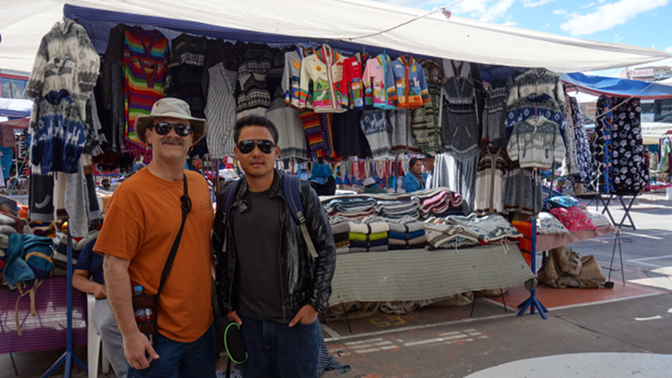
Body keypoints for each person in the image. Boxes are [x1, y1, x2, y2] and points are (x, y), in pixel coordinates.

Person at [95, 98, 216, 377]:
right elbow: (113, 266)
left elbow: (204, 248)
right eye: (163, 127)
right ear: (149, 136)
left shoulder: (198, 184)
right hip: (156, 336)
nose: (172, 134)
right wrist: (129, 334)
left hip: (203, 330)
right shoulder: (130, 193)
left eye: (182, 129)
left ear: (192, 140)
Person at [213, 114, 336, 378]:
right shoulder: (228, 198)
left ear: (276, 151)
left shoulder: (300, 193)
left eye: (264, 146)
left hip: (294, 323)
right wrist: (226, 305)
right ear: (236, 152)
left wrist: (314, 305)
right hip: (249, 324)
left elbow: (326, 250)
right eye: (247, 146)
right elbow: (220, 254)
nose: (256, 153)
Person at [72, 238, 127, 378]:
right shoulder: (94, 245)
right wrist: (95, 287)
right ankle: (127, 374)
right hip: (107, 294)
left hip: (140, 292)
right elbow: (77, 277)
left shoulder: (139, 238)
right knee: (107, 323)